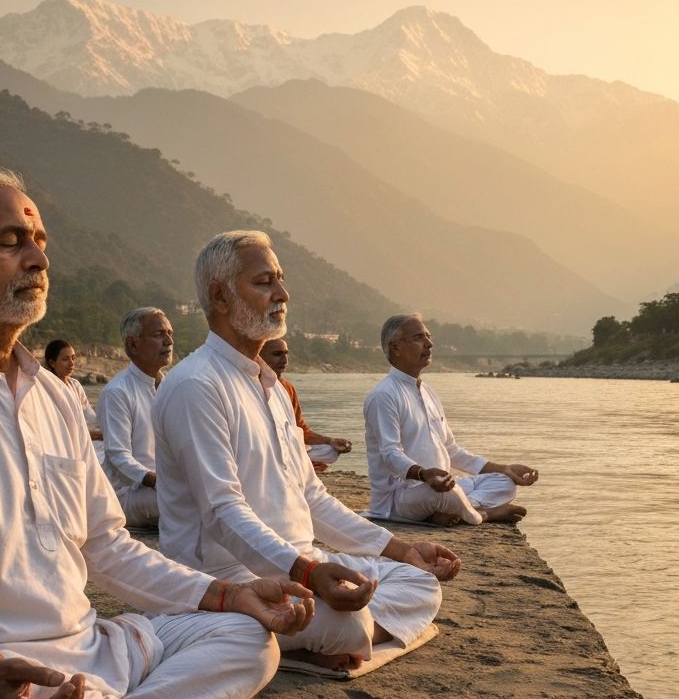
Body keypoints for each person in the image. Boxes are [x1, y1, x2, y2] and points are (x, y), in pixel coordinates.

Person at [0, 170, 320, 699]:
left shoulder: (57, 396)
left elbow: (107, 547)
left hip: (93, 648)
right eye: (9, 242)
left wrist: (228, 594)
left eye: (40, 240)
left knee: (249, 638)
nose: (37, 258)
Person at [154, 230, 461, 672]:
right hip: (231, 576)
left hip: (301, 562)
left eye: (280, 279)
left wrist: (399, 549)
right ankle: (341, 637)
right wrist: (307, 573)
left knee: (418, 581)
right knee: (348, 623)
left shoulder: (272, 388)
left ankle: (329, 641)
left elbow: (311, 495)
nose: (282, 293)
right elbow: (222, 513)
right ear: (219, 297)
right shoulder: (197, 386)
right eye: (264, 283)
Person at [364, 314, 539, 526]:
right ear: (396, 348)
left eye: (428, 336)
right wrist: (423, 474)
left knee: (504, 482)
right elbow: (390, 453)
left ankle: (454, 512)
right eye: (419, 338)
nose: (429, 344)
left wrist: (504, 468)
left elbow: (451, 450)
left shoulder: (428, 392)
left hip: (442, 486)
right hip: (400, 498)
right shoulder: (384, 395)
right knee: (448, 495)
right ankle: (484, 514)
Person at [96, 307, 173, 528]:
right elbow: (118, 455)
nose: (168, 341)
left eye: (170, 333)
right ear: (133, 344)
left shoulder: (171, 386)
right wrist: (158, 481)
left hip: (168, 486)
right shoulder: (117, 392)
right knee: (191, 503)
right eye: (159, 334)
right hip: (130, 493)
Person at [261, 338, 352, 471]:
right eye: (277, 354)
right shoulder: (254, 385)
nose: (285, 360)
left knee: (330, 452)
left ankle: (296, 459)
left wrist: (330, 441)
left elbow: (300, 428)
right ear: (260, 356)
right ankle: (296, 460)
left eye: (286, 354)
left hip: (289, 446)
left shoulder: (288, 388)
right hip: (265, 446)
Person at [44, 338, 102, 440]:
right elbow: (51, 424)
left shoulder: (75, 385)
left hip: (81, 437)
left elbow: (90, 416)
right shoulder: (46, 388)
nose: (71, 363)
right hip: (60, 440)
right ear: (52, 363)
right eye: (65, 359)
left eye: (73, 358)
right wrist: (87, 434)